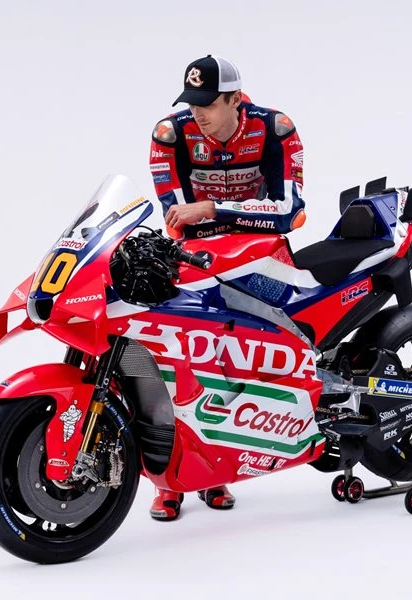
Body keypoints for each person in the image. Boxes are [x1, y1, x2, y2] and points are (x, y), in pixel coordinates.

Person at [146, 54, 306, 521]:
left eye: (208, 103)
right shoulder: (169, 135)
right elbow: (177, 219)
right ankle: (168, 481)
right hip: (197, 260)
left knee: (246, 363)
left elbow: (291, 213)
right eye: (191, 102)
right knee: (177, 360)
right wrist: (218, 218)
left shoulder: (276, 128)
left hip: (263, 259)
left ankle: (219, 469)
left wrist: (213, 209)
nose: (197, 112)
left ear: (235, 99)